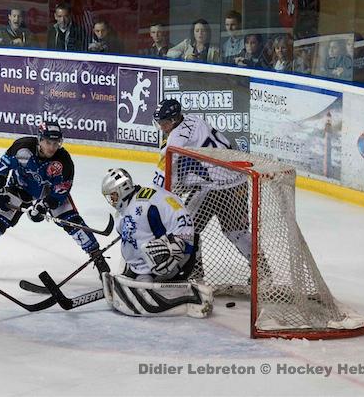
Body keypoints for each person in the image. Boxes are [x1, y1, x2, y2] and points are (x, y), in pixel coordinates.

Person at [0, 121, 108, 274]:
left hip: (49, 193)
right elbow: (1, 168)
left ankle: (98, 259)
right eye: (48, 142)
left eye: (56, 143)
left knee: (72, 221)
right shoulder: (22, 148)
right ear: (40, 139)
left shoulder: (64, 161)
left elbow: (61, 190)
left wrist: (44, 205)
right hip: (20, 187)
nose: (52, 147)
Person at [150, 99, 252, 269]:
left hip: (213, 186)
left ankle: (195, 272)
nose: (161, 127)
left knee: (187, 228)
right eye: (159, 123)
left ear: (174, 120)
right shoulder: (194, 119)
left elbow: (166, 172)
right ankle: (262, 270)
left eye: (164, 123)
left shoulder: (175, 140)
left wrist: (155, 198)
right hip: (238, 180)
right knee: (236, 232)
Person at [99, 168, 213, 318]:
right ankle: (139, 279)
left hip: (170, 261)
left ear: (122, 189)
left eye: (113, 195)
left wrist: (177, 246)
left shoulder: (150, 200)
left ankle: (185, 293)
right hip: (140, 266)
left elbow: (182, 219)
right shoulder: (123, 211)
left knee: (148, 256)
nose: (112, 201)